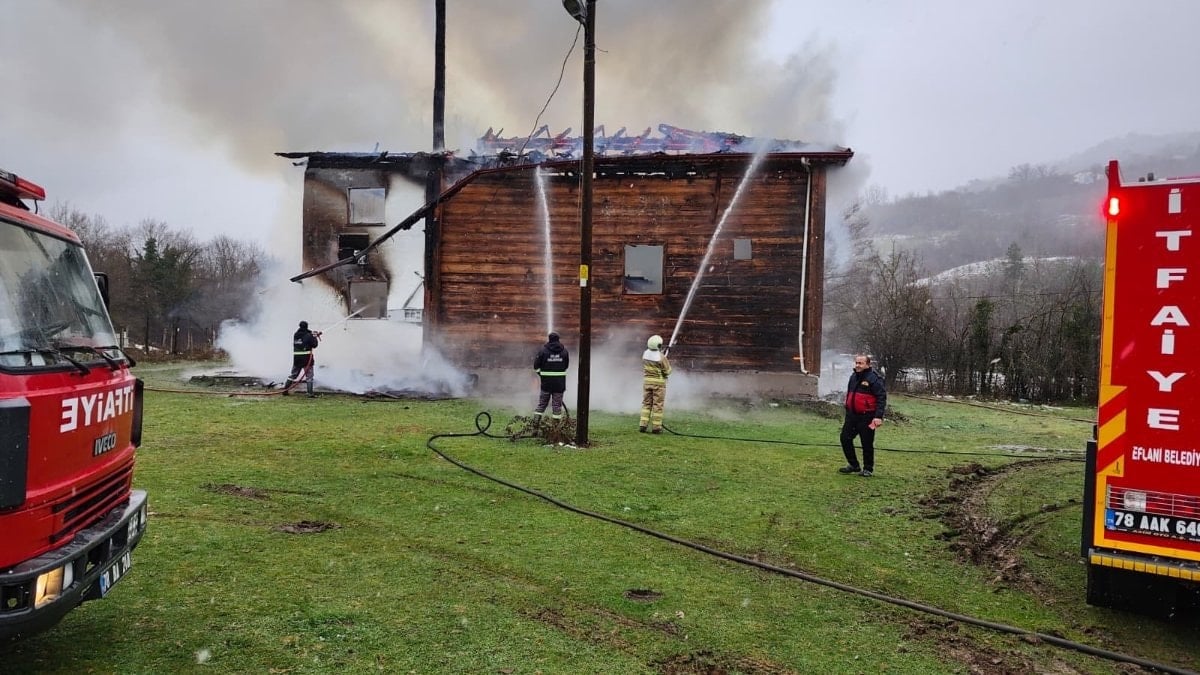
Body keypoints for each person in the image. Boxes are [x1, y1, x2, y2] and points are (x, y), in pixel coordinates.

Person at [839, 353, 886, 477]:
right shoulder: (853, 377)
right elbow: (850, 393)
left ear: (867, 364)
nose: (858, 365)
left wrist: (878, 416)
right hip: (852, 416)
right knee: (845, 439)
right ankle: (853, 465)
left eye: (861, 363)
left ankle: (868, 469)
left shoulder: (874, 378)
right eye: (856, 363)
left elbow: (881, 397)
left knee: (866, 443)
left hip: (867, 416)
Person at [532, 331, 569, 426]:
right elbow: (566, 366)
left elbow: (536, 366)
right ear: (558, 339)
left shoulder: (543, 351)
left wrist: (542, 374)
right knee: (557, 406)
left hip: (546, 384)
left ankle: (535, 426)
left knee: (542, 405)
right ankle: (555, 429)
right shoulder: (564, 351)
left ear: (549, 339)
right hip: (559, 384)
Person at [639, 334, 672, 433]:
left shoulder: (645, 355)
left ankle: (643, 425)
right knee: (658, 405)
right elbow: (668, 371)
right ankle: (656, 427)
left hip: (647, 383)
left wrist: (662, 353)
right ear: (658, 345)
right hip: (659, 385)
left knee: (646, 404)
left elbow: (654, 358)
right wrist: (665, 358)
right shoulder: (661, 358)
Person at [283, 320, 321, 397]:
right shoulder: (308, 335)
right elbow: (314, 345)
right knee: (309, 376)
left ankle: (285, 390)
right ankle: (310, 393)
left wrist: (312, 335)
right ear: (307, 326)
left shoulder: (296, 334)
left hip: (297, 358)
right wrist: (315, 337)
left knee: (293, 375)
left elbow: (304, 340)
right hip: (307, 359)